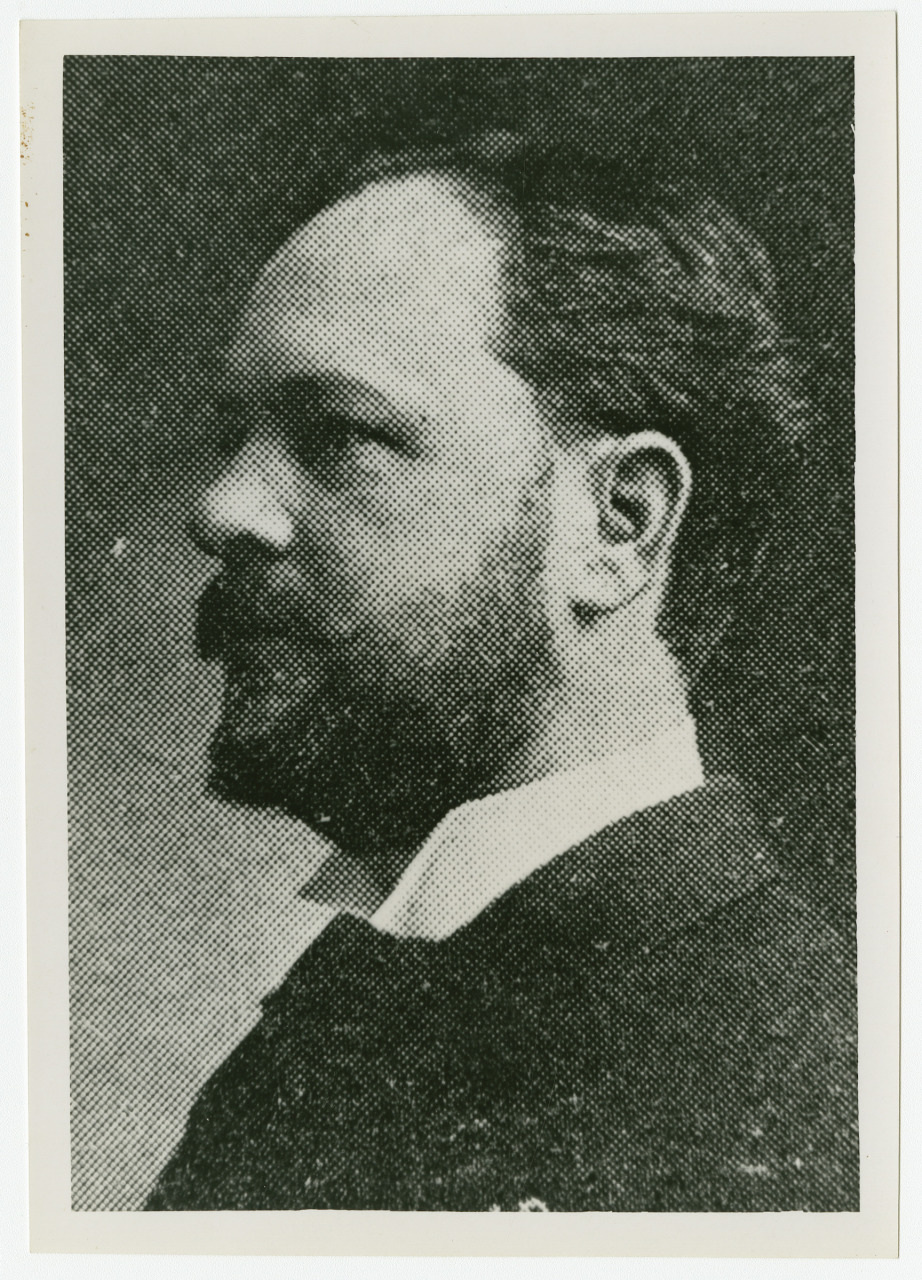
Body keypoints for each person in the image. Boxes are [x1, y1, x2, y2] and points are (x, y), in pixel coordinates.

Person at [144, 135, 857, 1212]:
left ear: (617, 523)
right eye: (236, 435)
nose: (222, 508)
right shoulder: (360, 998)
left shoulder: (807, 1087)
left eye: (338, 432)